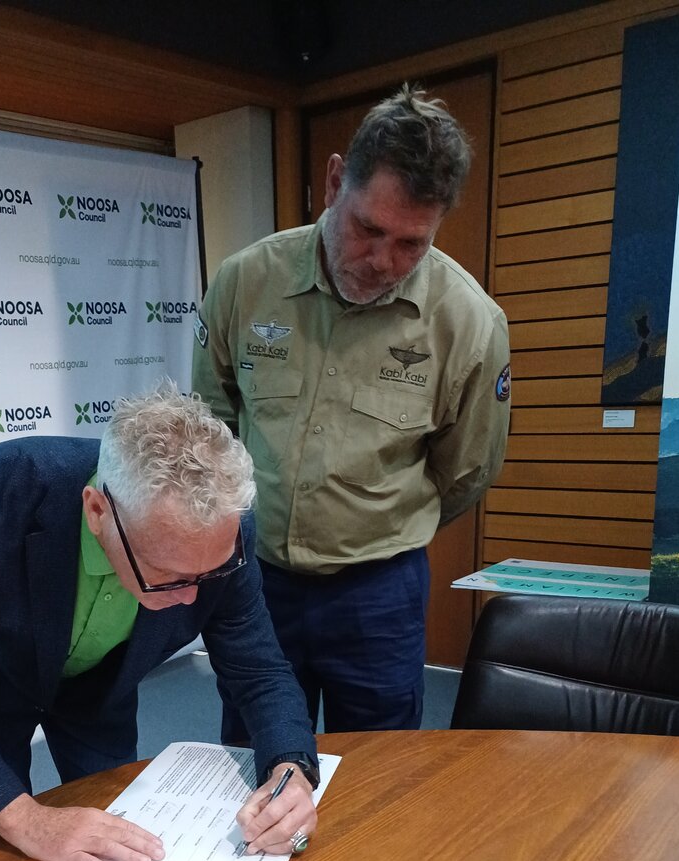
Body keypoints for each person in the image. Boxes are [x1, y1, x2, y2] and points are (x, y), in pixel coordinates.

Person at [0, 384, 320, 861]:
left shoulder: (221, 534)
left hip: (101, 691)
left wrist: (290, 769)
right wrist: (27, 820)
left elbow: (259, 668)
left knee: (118, 849)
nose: (192, 598)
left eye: (207, 575)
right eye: (167, 575)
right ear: (97, 510)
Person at [192, 83, 511, 736]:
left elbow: (465, 471)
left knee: (379, 779)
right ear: (336, 181)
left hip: (379, 594)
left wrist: (374, 524)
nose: (382, 261)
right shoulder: (245, 282)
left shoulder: (468, 322)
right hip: (257, 580)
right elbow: (210, 424)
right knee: (256, 760)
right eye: (368, 228)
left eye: (411, 244)